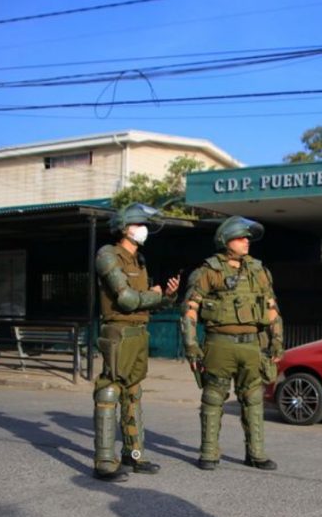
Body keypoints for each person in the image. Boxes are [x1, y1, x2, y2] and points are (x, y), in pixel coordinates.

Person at [180, 215, 283, 471]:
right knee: (213, 398)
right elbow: (190, 309)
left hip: (251, 346)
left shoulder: (258, 271)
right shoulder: (208, 271)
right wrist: (191, 346)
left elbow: (272, 309)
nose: (246, 241)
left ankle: (256, 453)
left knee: (253, 399)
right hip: (219, 344)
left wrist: (277, 341)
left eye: (247, 237)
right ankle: (208, 453)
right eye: (240, 237)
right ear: (226, 241)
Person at [92, 203, 180, 482]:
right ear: (125, 228)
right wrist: (154, 295)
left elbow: (144, 302)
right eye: (139, 224)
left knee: (133, 392)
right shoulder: (108, 255)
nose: (144, 230)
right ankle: (104, 460)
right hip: (118, 331)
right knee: (110, 390)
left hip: (139, 331)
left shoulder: (138, 260)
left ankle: (134, 454)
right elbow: (127, 300)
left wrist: (166, 296)